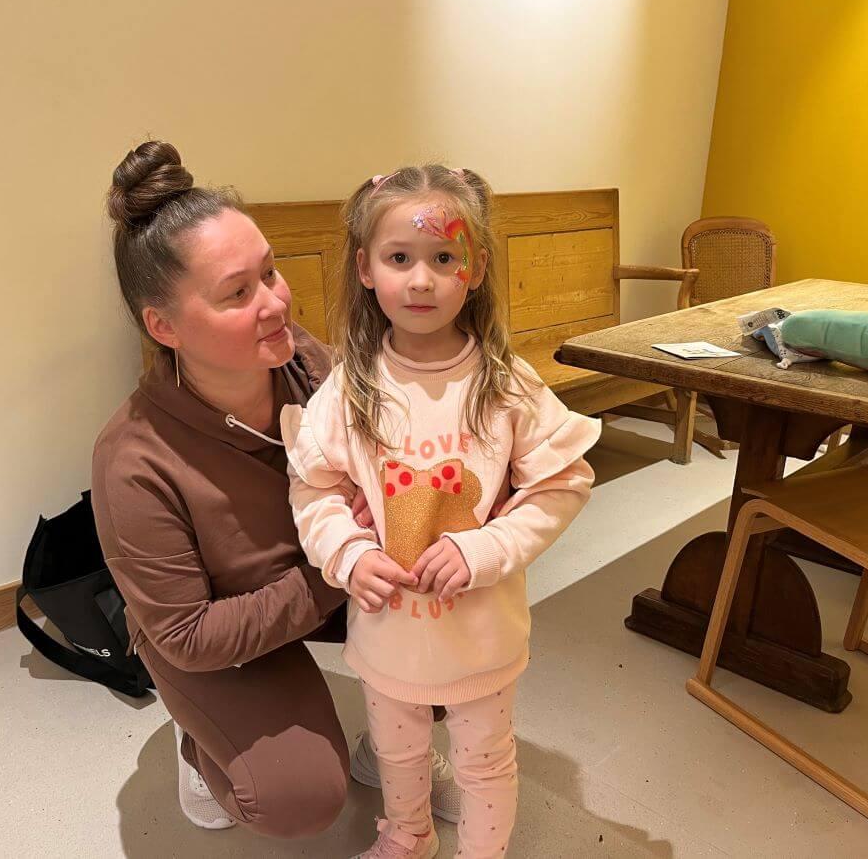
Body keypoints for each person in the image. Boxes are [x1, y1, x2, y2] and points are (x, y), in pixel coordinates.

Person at [90, 142, 460, 839]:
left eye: (270, 272)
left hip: (310, 578)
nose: (275, 302)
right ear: (163, 327)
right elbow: (188, 633)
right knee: (297, 797)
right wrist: (340, 570)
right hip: (216, 632)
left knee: (453, 593)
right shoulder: (131, 462)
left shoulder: (306, 364)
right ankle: (202, 749)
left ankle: (392, 745)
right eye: (238, 292)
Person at [282, 164, 601, 858]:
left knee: (485, 762)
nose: (420, 280)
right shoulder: (350, 389)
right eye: (400, 259)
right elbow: (315, 489)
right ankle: (407, 836)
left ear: (476, 268)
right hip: (387, 633)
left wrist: (482, 550)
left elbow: (565, 482)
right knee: (400, 757)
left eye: (443, 257)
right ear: (366, 269)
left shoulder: (506, 384)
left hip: (481, 633)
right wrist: (348, 552)